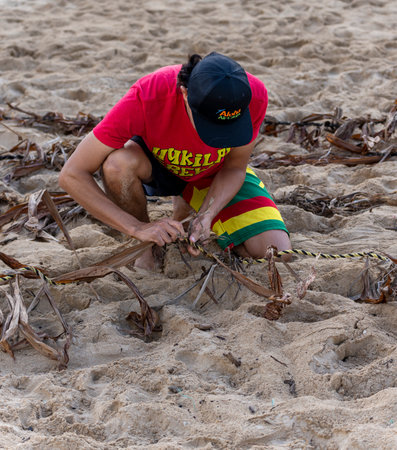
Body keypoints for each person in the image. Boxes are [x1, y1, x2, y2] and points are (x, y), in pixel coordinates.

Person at [59, 52, 291, 270]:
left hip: (213, 173)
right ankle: (144, 247)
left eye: (228, 129)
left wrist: (207, 214)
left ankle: (188, 211)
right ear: (184, 93)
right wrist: (136, 227)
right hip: (159, 166)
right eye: (209, 124)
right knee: (117, 164)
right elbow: (72, 174)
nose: (216, 137)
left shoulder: (252, 95)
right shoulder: (148, 94)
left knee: (278, 254)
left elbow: (234, 167)